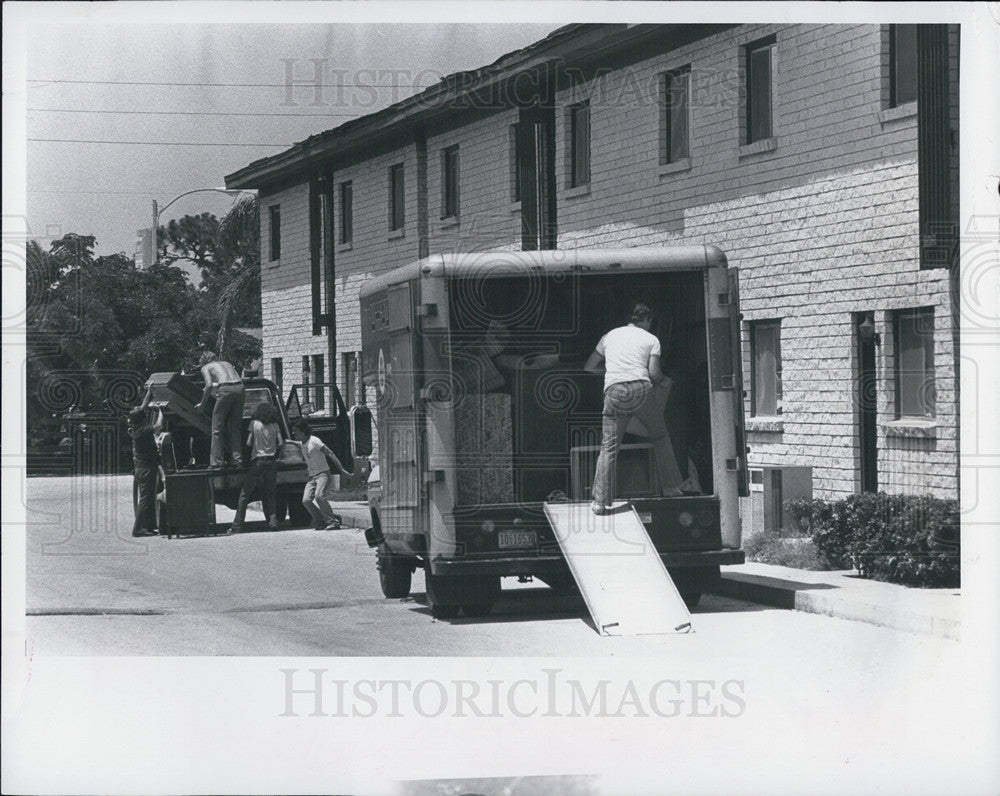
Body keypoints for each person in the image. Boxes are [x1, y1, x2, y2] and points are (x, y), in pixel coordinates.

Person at [585, 302, 684, 514]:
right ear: (647, 320)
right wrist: (666, 381)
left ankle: (600, 502)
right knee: (660, 437)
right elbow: (654, 374)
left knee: (609, 447)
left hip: (614, 392)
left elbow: (589, 366)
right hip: (641, 390)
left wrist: (612, 372)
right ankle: (671, 488)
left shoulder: (608, 336)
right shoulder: (651, 339)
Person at [230, 402, 283, 534]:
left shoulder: (254, 424)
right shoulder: (275, 425)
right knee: (270, 493)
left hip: (257, 462)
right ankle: (273, 522)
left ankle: (237, 525)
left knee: (244, 494)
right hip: (271, 462)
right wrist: (276, 453)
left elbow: (248, 443)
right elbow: (281, 442)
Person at [293, 418, 352, 530]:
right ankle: (320, 521)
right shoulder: (302, 444)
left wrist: (341, 469)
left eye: (296, 431)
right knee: (306, 500)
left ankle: (333, 522)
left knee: (319, 496)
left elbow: (330, 453)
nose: (294, 433)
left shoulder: (315, 441)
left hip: (323, 474)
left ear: (303, 431)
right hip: (312, 477)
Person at [195, 351, 245, 469]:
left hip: (225, 389)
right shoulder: (227, 363)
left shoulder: (206, 367)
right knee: (235, 427)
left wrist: (202, 405)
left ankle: (217, 462)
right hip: (240, 388)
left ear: (203, 361)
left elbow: (208, 385)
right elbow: (232, 379)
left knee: (217, 428)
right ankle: (238, 461)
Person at [128, 408, 159, 537]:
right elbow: (159, 426)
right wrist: (161, 411)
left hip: (140, 468)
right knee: (146, 498)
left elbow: (141, 408)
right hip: (146, 468)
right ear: (143, 419)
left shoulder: (134, 430)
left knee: (149, 497)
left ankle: (149, 526)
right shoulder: (143, 431)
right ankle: (138, 528)